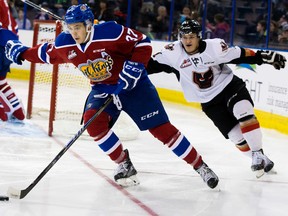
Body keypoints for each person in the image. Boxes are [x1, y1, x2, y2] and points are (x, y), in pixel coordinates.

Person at [5, 4, 219, 189]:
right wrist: (22, 53)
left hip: (135, 87)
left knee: (161, 131)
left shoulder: (110, 31)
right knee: (93, 123)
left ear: (89, 25)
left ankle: (200, 166)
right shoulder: (65, 42)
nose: (74, 32)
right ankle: (124, 163)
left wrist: (134, 68)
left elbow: (143, 42)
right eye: (70, 28)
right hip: (102, 89)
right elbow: (47, 54)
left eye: (77, 27)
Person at [147, 19, 286, 178]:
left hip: (229, 87)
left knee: (243, 112)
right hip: (208, 102)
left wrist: (265, 56)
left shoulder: (214, 47)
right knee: (236, 137)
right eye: (184, 37)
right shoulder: (172, 53)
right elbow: (149, 65)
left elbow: (240, 55)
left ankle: (257, 153)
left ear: (199, 37)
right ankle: (260, 158)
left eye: (191, 36)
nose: (187, 41)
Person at [0, 0, 25, 122]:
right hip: (10, 45)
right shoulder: (5, 4)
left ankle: (2, 115)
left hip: (1, 43)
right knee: (1, 81)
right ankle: (18, 111)